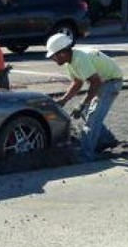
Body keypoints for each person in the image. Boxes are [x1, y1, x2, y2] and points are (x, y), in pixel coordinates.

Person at [46, 33, 123, 162]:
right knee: (89, 112)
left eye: (53, 55)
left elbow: (96, 82)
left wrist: (83, 104)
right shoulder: (70, 62)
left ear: (63, 53)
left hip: (111, 82)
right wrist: (64, 100)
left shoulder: (80, 59)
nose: (52, 58)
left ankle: (85, 155)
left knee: (92, 119)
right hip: (104, 80)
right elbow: (77, 83)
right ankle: (107, 140)